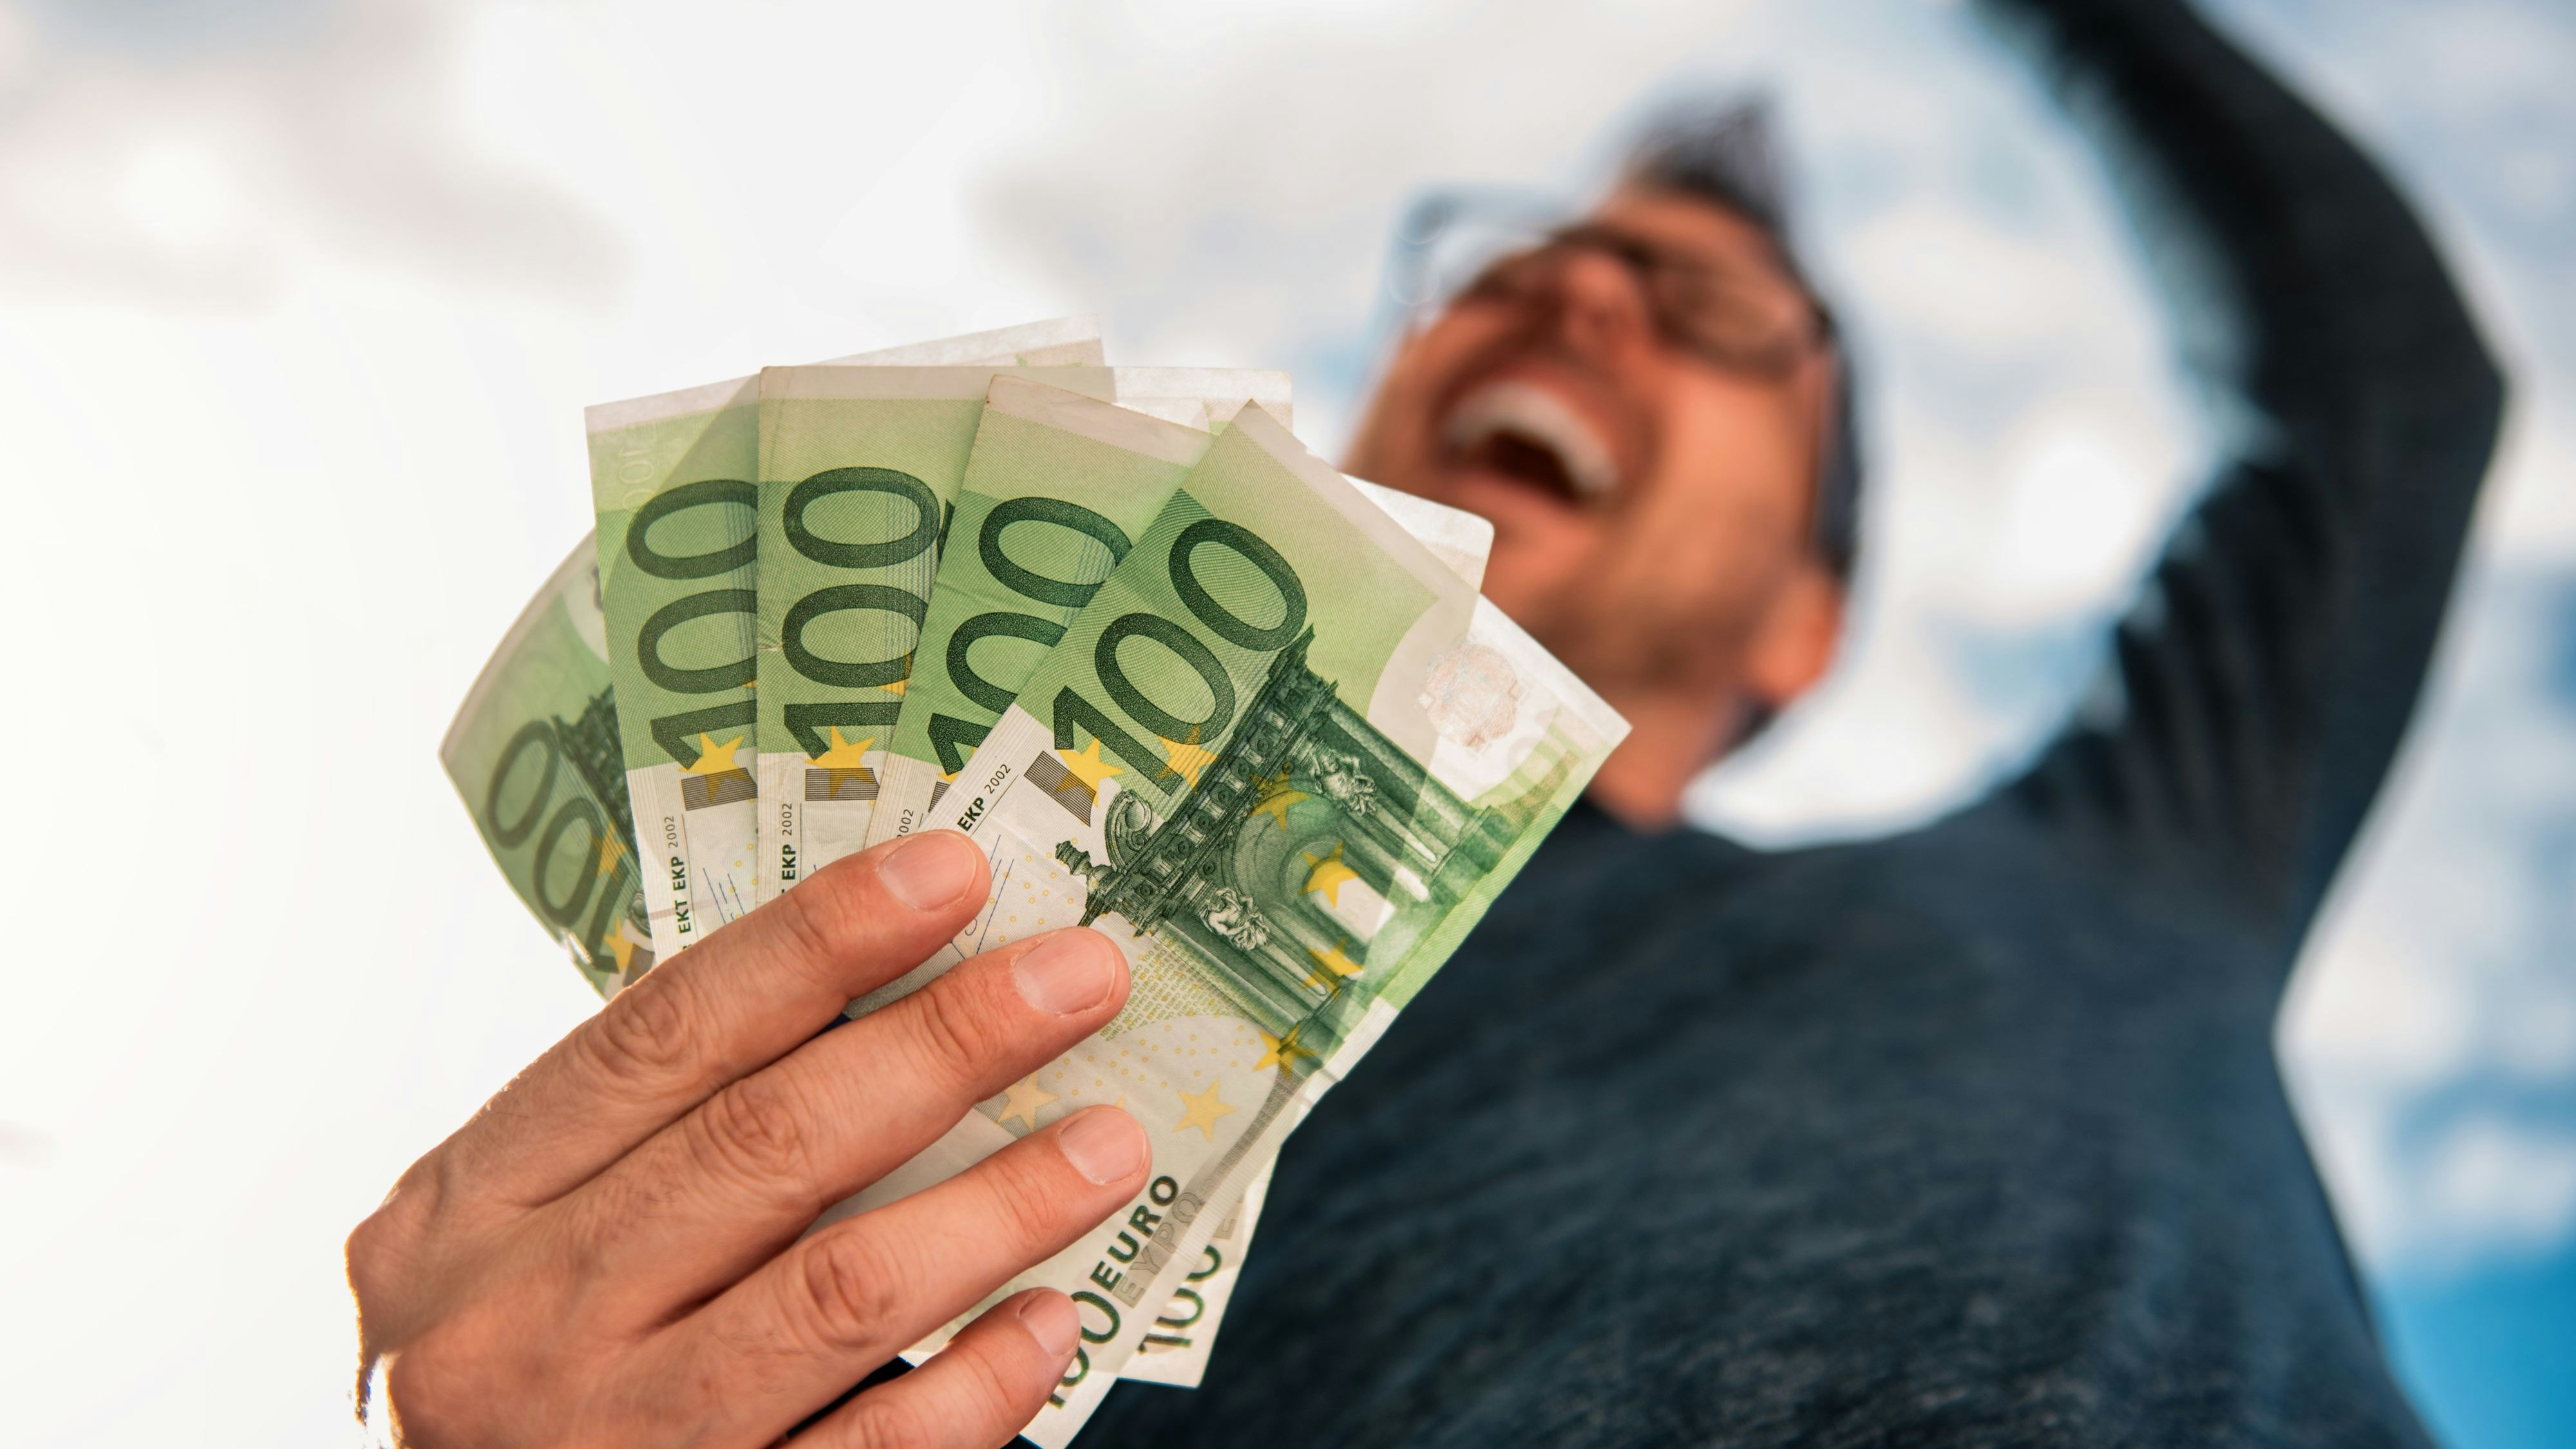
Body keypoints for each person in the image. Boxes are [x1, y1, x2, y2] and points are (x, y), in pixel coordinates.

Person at [346, 0, 2505, 1444]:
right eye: (1517, 264)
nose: (1574, 294)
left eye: (1714, 317)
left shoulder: (2120, 866)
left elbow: (2388, 387)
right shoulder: (946, 1012)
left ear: (1803, 627)